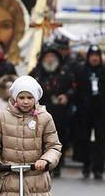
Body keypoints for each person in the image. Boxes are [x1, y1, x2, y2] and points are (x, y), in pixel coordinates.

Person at [74, 45, 105, 179]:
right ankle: (86, 165)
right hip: (85, 111)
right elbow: (77, 91)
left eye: (96, 56)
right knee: (85, 139)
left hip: (101, 111)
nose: (94, 58)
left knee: (101, 140)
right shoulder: (81, 71)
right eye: (92, 56)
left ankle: (99, 168)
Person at [30, 46, 74, 177]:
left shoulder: (64, 73)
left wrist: (67, 96)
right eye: (47, 57)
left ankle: (57, 164)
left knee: (58, 138)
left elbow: (74, 87)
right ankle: (42, 163)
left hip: (59, 112)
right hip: (40, 111)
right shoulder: (36, 73)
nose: (50, 60)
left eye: (52, 57)